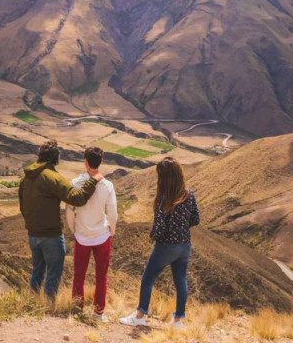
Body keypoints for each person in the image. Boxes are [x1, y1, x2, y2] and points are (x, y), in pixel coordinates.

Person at [119, 157, 200, 328]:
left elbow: (159, 228)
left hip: (166, 246)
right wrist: (181, 229)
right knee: (181, 281)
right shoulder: (189, 193)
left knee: (148, 278)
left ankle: (140, 315)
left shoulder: (164, 198)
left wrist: (153, 236)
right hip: (184, 245)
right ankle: (177, 320)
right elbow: (195, 219)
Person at [19, 140, 103, 300]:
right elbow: (77, 198)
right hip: (51, 236)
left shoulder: (26, 178)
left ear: (39, 156)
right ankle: (48, 307)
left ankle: (32, 304)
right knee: (53, 273)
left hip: (32, 235)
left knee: (37, 271)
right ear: (56, 158)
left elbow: (22, 206)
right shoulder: (53, 177)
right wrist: (93, 180)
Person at [66, 147, 118, 322]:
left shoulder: (75, 183)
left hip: (82, 235)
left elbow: (69, 211)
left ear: (85, 161)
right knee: (101, 276)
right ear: (101, 161)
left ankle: (77, 309)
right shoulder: (108, 185)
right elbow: (112, 212)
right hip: (102, 236)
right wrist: (112, 229)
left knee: (79, 275)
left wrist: (74, 230)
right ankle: (98, 313)